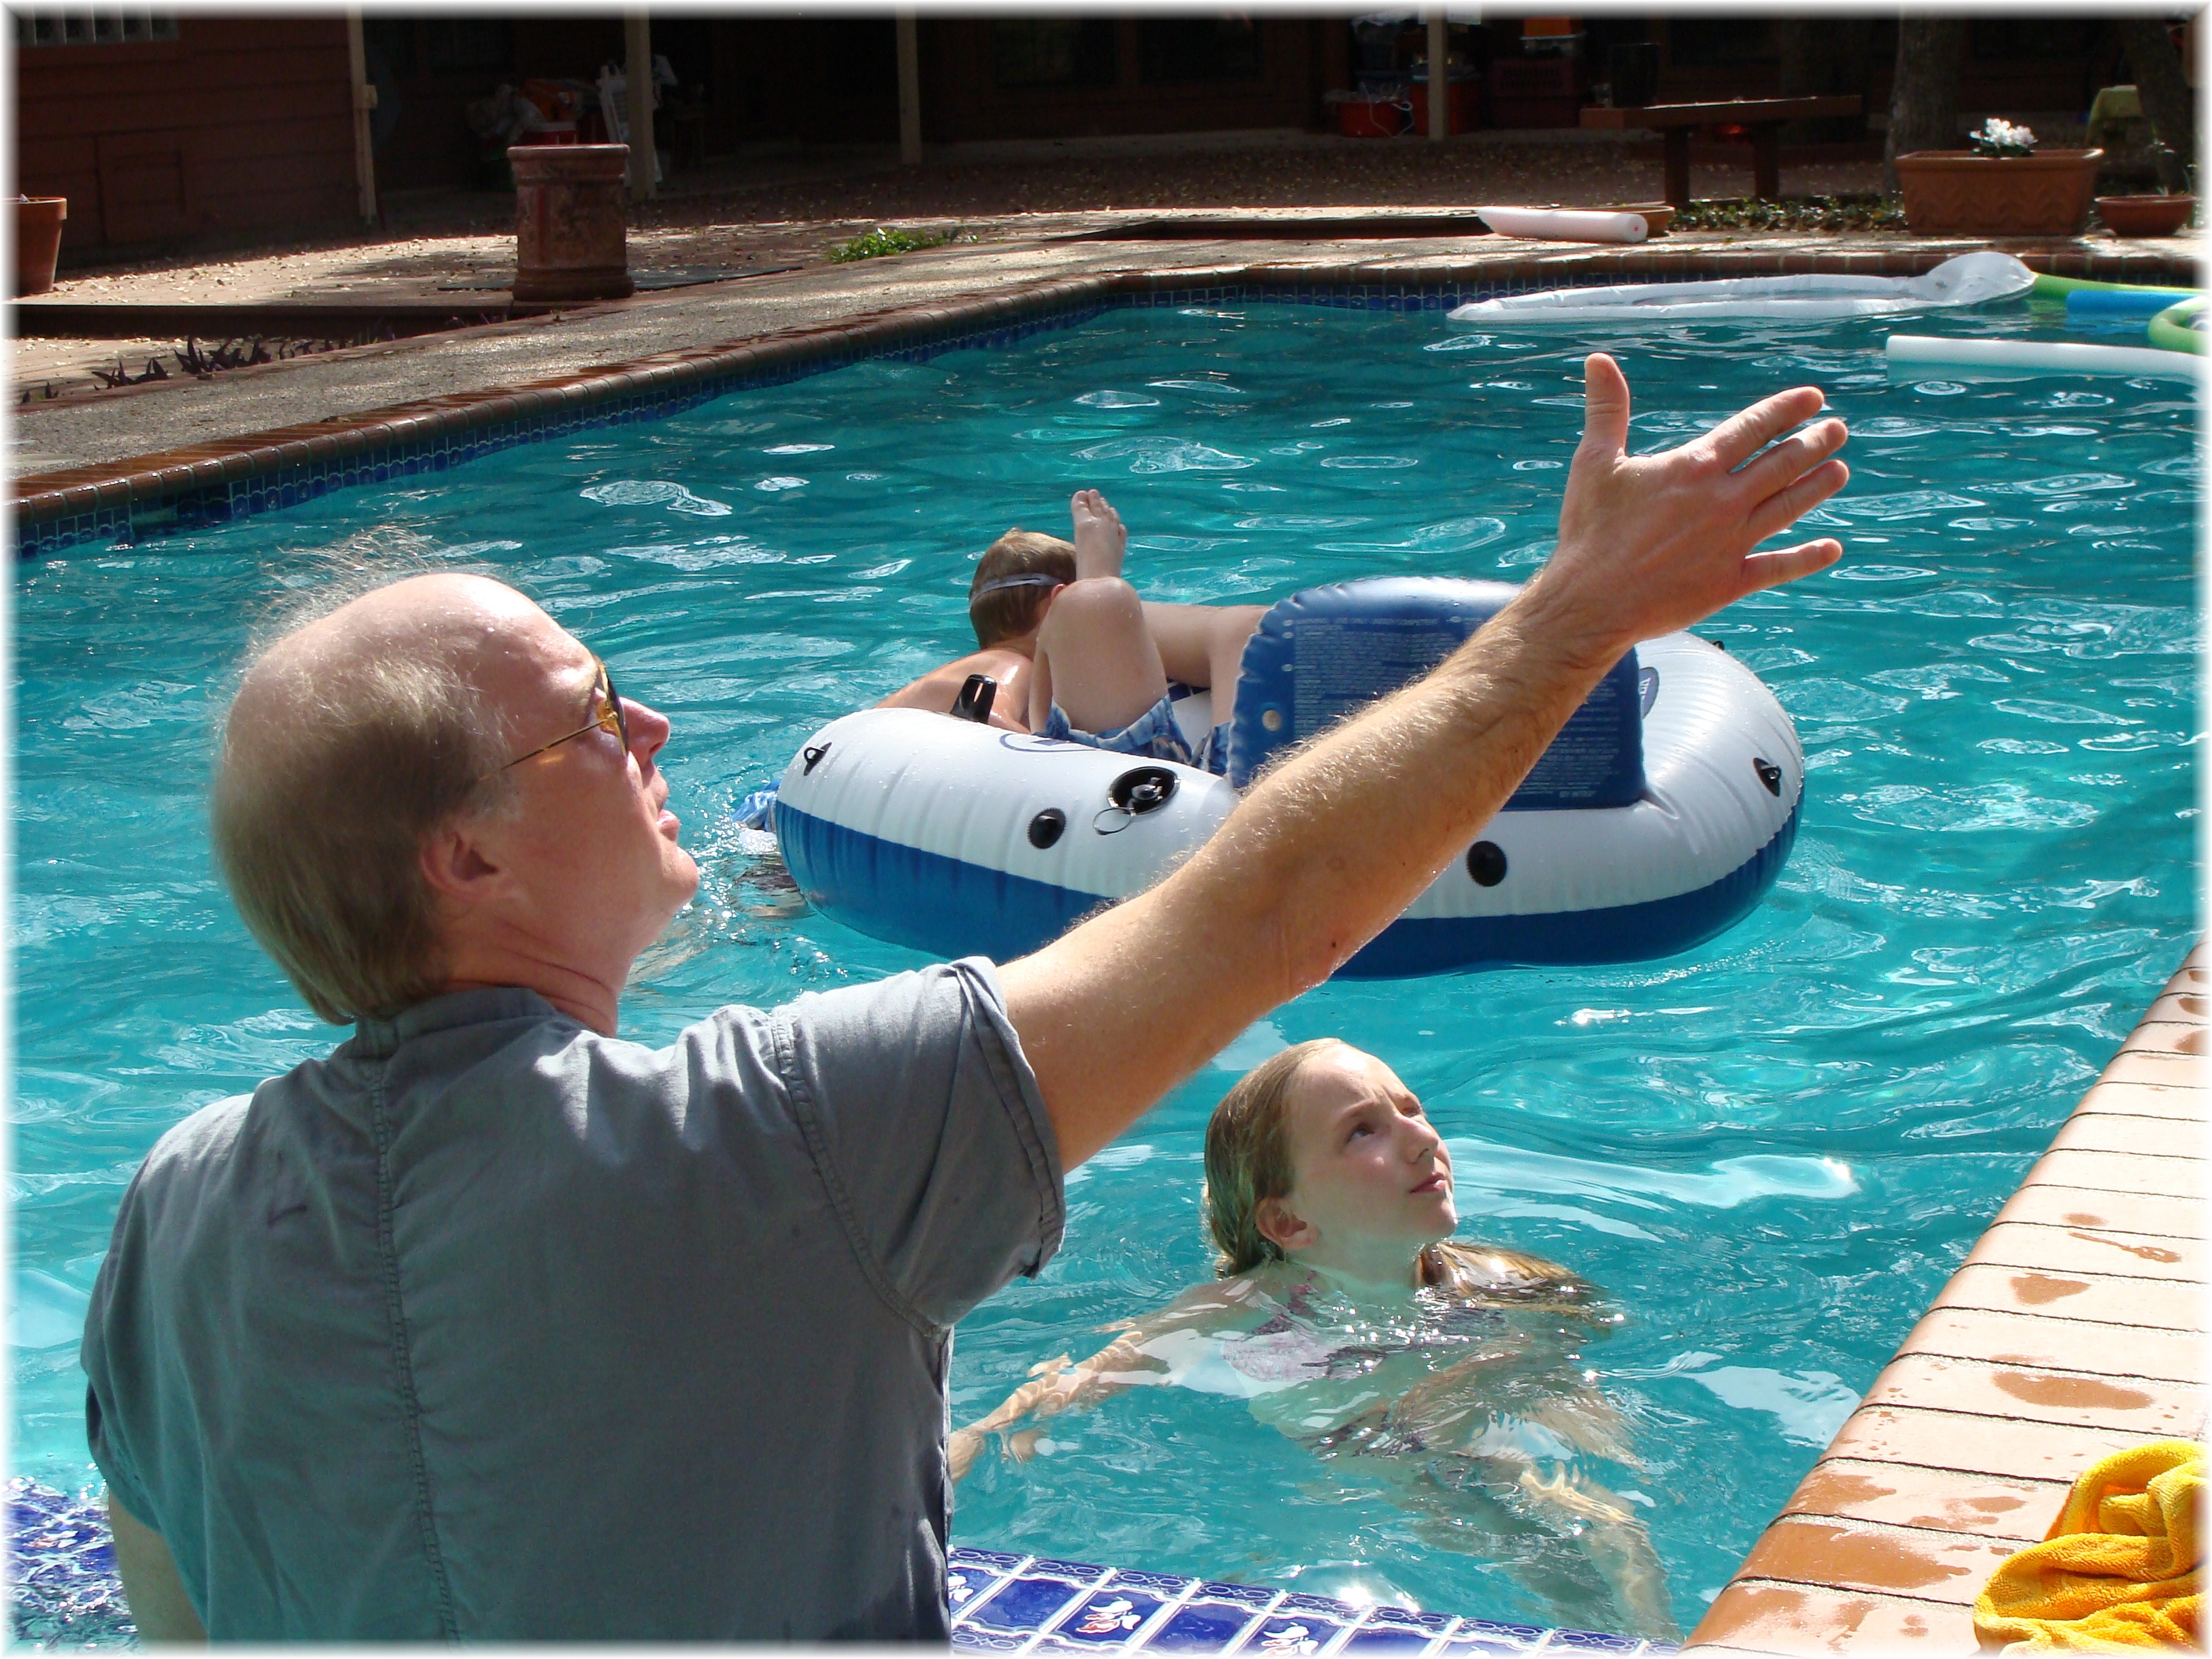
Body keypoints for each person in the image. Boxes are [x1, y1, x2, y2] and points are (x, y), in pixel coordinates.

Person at [81, 354, 1847, 1639]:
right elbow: (1270, 908)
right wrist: (1577, 615)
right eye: (595, 713)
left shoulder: (170, 1217)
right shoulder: (788, 1131)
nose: (657, 726)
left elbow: (174, 1617)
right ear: (465, 857)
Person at [947, 1040, 1677, 1639]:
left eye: (1411, 1109)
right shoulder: (1249, 1304)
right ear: (1288, 1223)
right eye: (1364, 1131)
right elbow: (1098, 1371)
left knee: (1617, 1535)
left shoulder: (1497, 1281)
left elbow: (1585, 1332)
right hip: (1372, 1461)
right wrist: (981, 1433)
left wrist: (1479, 1382)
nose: (1424, 1138)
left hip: (1471, 1432)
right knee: (1532, 1554)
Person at [878, 487, 1266, 773]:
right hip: (1107, 789)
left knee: (1240, 629)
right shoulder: (1009, 663)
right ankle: (1096, 587)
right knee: (1101, 604)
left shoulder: (987, 661)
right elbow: (976, 709)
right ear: (1055, 603)